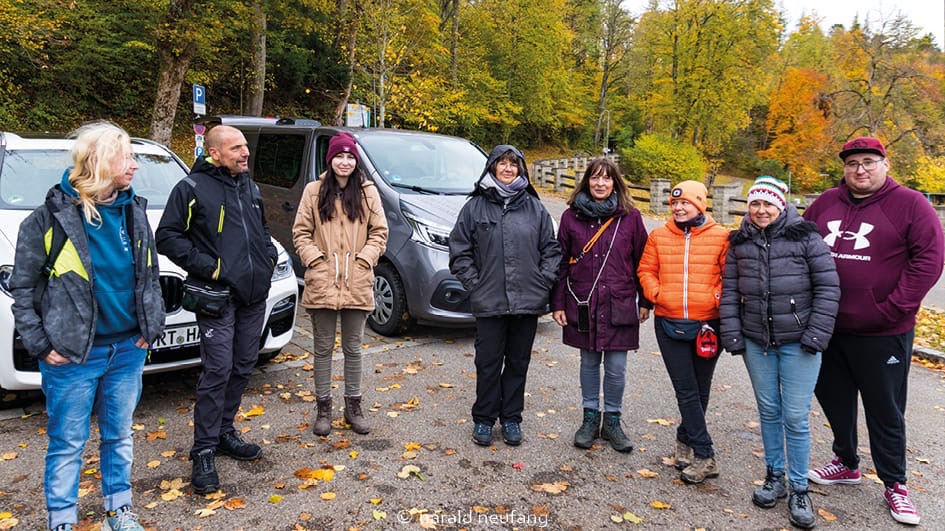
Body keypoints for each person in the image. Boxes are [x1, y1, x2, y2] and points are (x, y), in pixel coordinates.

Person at [10, 121, 165, 531]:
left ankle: (119, 510)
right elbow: (22, 289)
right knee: (67, 444)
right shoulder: (46, 219)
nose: (134, 165)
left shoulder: (134, 211)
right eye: (127, 156)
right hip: (73, 356)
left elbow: (149, 274)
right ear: (99, 161)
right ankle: (62, 520)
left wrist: (151, 326)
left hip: (128, 350)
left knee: (120, 436)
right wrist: (41, 345)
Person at [803, 137, 944, 526]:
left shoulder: (911, 204)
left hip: (883, 331)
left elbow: (929, 261)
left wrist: (892, 308)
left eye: (868, 161)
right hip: (828, 327)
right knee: (834, 399)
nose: (860, 169)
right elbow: (798, 247)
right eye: (852, 163)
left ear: (885, 164)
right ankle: (846, 461)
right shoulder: (825, 203)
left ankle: (895, 483)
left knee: (885, 408)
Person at [156, 125, 277, 494]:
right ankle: (204, 449)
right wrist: (211, 268)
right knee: (218, 369)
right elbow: (167, 237)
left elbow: (262, 229)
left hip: (253, 295)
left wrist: (268, 258)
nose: (245, 153)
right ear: (214, 152)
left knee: (243, 365)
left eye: (245, 146)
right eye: (236, 148)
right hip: (216, 295)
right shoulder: (191, 188)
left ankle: (224, 431)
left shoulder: (249, 186)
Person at [720, 176, 840, 529]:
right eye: (755, 204)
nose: (761, 210)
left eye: (768, 204)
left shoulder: (806, 237)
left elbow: (828, 288)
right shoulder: (740, 243)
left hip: (799, 343)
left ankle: (800, 487)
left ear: (781, 205)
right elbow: (730, 292)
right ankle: (775, 475)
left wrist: (815, 335)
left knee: (796, 416)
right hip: (757, 343)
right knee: (769, 411)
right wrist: (733, 334)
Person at [449, 145, 561, 447]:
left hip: (527, 301)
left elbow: (551, 249)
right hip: (490, 302)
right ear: (492, 167)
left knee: (517, 363)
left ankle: (511, 417)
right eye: (502, 163)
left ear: (521, 169)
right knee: (487, 363)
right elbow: (459, 250)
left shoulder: (534, 208)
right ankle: (484, 419)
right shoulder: (475, 207)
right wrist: (476, 284)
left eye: (514, 164)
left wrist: (543, 281)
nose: (508, 169)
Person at [550, 158, 651, 453]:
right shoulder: (571, 217)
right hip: (584, 302)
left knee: (617, 367)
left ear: (615, 183)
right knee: (589, 363)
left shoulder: (630, 217)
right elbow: (560, 263)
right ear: (587, 181)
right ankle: (590, 418)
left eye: (606, 178)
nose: (600, 183)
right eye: (595, 177)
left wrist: (645, 300)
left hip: (620, 302)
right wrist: (557, 302)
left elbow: (643, 262)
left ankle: (613, 421)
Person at [292, 132, 388, 437]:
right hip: (323, 281)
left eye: (350, 157)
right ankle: (324, 409)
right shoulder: (313, 191)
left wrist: (364, 261)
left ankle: (353, 407)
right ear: (330, 159)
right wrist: (316, 261)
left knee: (353, 348)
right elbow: (301, 232)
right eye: (339, 156)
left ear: (356, 161)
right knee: (322, 349)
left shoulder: (368, 192)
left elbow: (379, 232)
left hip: (357, 280)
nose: (344, 162)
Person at [637, 180, 729, 484]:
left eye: (685, 202)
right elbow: (646, 270)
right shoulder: (659, 236)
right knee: (686, 389)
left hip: (708, 325)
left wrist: (715, 298)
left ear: (700, 204)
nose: (678, 208)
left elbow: (730, 275)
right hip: (668, 322)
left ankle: (684, 441)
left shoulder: (721, 237)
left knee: (700, 389)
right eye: (675, 203)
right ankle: (705, 454)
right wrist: (657, 294)